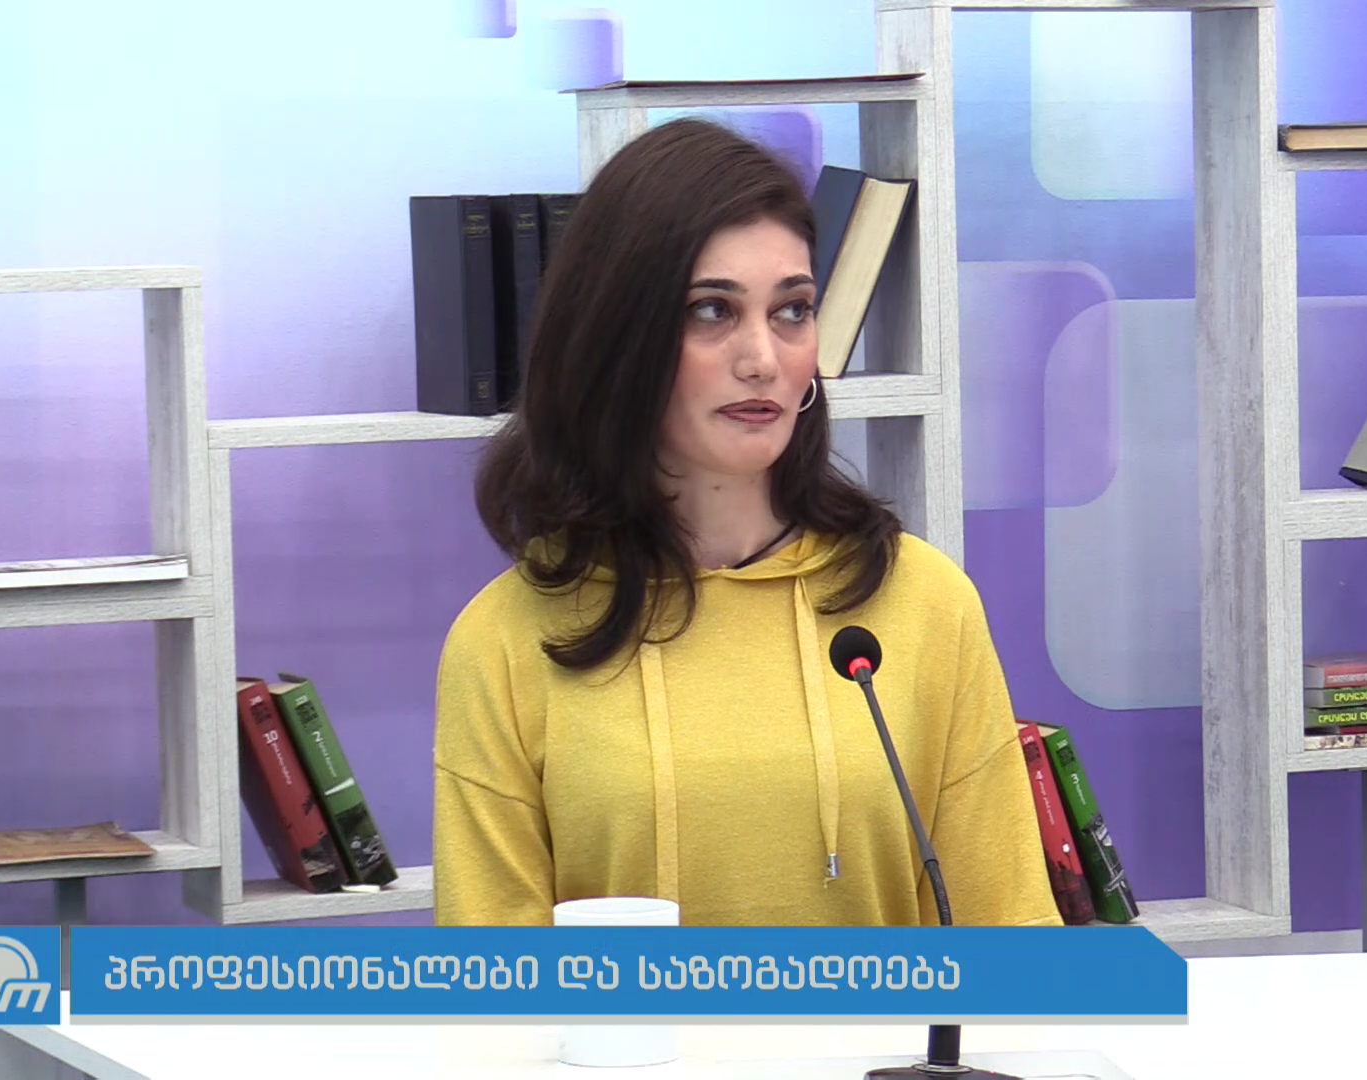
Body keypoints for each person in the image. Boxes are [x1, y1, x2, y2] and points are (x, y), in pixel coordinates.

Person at [430, 117, 1062, 929]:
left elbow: (1011, 938)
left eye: (793, 310)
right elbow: (497, 980)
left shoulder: (926, 604)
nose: (763, 358)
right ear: (616, 339)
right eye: (712, 311)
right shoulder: (503, 641)